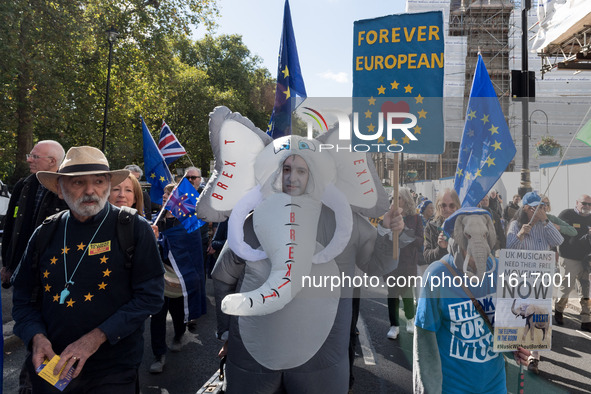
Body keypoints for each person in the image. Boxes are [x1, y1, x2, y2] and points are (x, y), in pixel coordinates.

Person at [212, 151, 404, 393]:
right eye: (287, 169)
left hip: (318, 363)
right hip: (257, 360)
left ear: (314, 176)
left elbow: (378, 266)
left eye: (301, 171)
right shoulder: (251, 224)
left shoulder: (346, 224)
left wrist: (390, 233)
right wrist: (228, 332)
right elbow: (222, 276)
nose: (293, 178)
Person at [11, 146, 164, 392]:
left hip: (111, 370)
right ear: (60, 189)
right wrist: (35, 337)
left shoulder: (133, 228)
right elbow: (22, 300)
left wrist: (94, 339)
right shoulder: (45, 233)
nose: (90, 190)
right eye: (78, 182)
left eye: (99, 181)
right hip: (52, 368)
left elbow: (150, 297)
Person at [414, 207, 531, 393]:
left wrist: (514, 348)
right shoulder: (436, 275)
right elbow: (425, 339)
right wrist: (429, 388)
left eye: (484, 236)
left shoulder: (501, 270)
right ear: (458, 237)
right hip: (452, 386)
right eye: (468, 238)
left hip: (494, 383)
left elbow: (508, 324)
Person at [149, 183, 206, 373]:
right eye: (165, 194)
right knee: (156, 318)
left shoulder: (188, 225)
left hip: (180, 281)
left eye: (171, 194)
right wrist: (152, 237)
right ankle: (159, 355)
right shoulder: (154, 221)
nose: (166, 197)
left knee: (178, 314)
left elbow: (194, 254)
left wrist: (164, 240)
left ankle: (179, 335)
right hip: (158, 280)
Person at [506, 191, 564, 374]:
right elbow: (508, 249)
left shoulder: (546, 225)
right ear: (525, 208)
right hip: (521, 280)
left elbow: (559, 240)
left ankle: (534, 357)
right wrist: (520, 234)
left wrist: (546, 221)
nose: (539, 211)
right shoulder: (515, 224)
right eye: (535, 208)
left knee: (539, 316)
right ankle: (516, 349)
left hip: (540, 281)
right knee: (520, 315)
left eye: (542, 207)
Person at [1, 141, 68, 288]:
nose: (28, 160)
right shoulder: (23, 185)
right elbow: (10, 226)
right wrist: (7, 264)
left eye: (35, 156)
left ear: (52, 161)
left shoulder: (66, 189)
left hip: (50, 272)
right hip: (20, 268)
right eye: (29, 155)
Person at [384, 188, 423, 339]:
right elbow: (382, 236)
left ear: (406, 200)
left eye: (398, 198)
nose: (395, 201)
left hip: (408, 263)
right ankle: (394, 325)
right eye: (394, 198)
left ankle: (410, 319)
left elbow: (420, 240)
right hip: (392, 263)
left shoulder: (416, 219)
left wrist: (406, 233)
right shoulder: (390, 216)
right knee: (392, 294)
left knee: (407, 293)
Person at [554, 194, 591, 333]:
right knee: (566, 287)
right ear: (577, 203)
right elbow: (555, 232)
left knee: (585, 289)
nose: (587, 207)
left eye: (589, 204)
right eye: (584, 203)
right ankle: (559, 309)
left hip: (586, 260)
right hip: (569, 258)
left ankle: (586, 320)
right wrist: (555, 251)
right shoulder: (566, 214)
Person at [423, 188, 460, 265]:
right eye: (443, 205)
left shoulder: (464, 225)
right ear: (438, 206)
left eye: (452, 205)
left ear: (457, 206)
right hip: (441, 273)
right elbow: (427, 257)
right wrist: (441, 248)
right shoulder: (431, 226)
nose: (447, 209)